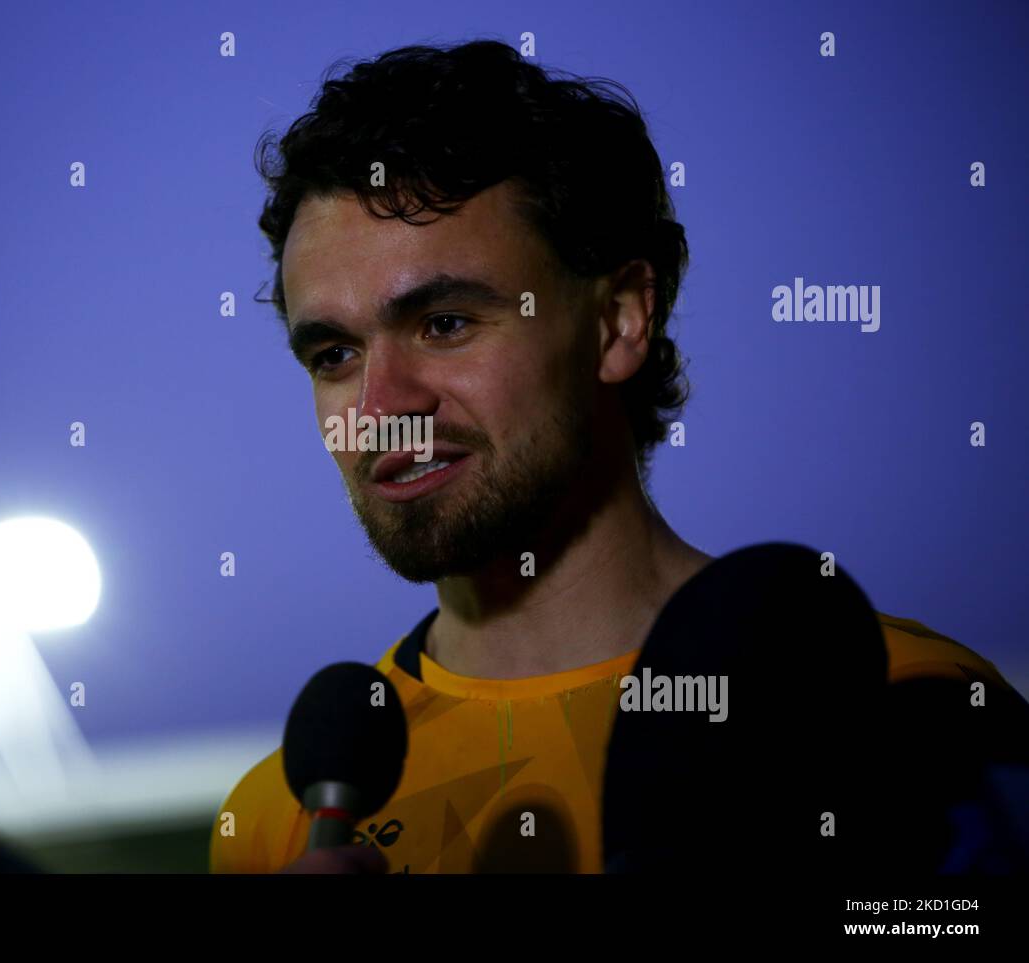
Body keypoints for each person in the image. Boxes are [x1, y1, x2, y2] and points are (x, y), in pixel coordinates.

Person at [209, 39, 1024, 874]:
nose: (379, 409)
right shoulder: (283, 819)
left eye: (445, 323)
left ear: (620, 321)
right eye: (334, 355)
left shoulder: (905, 704)